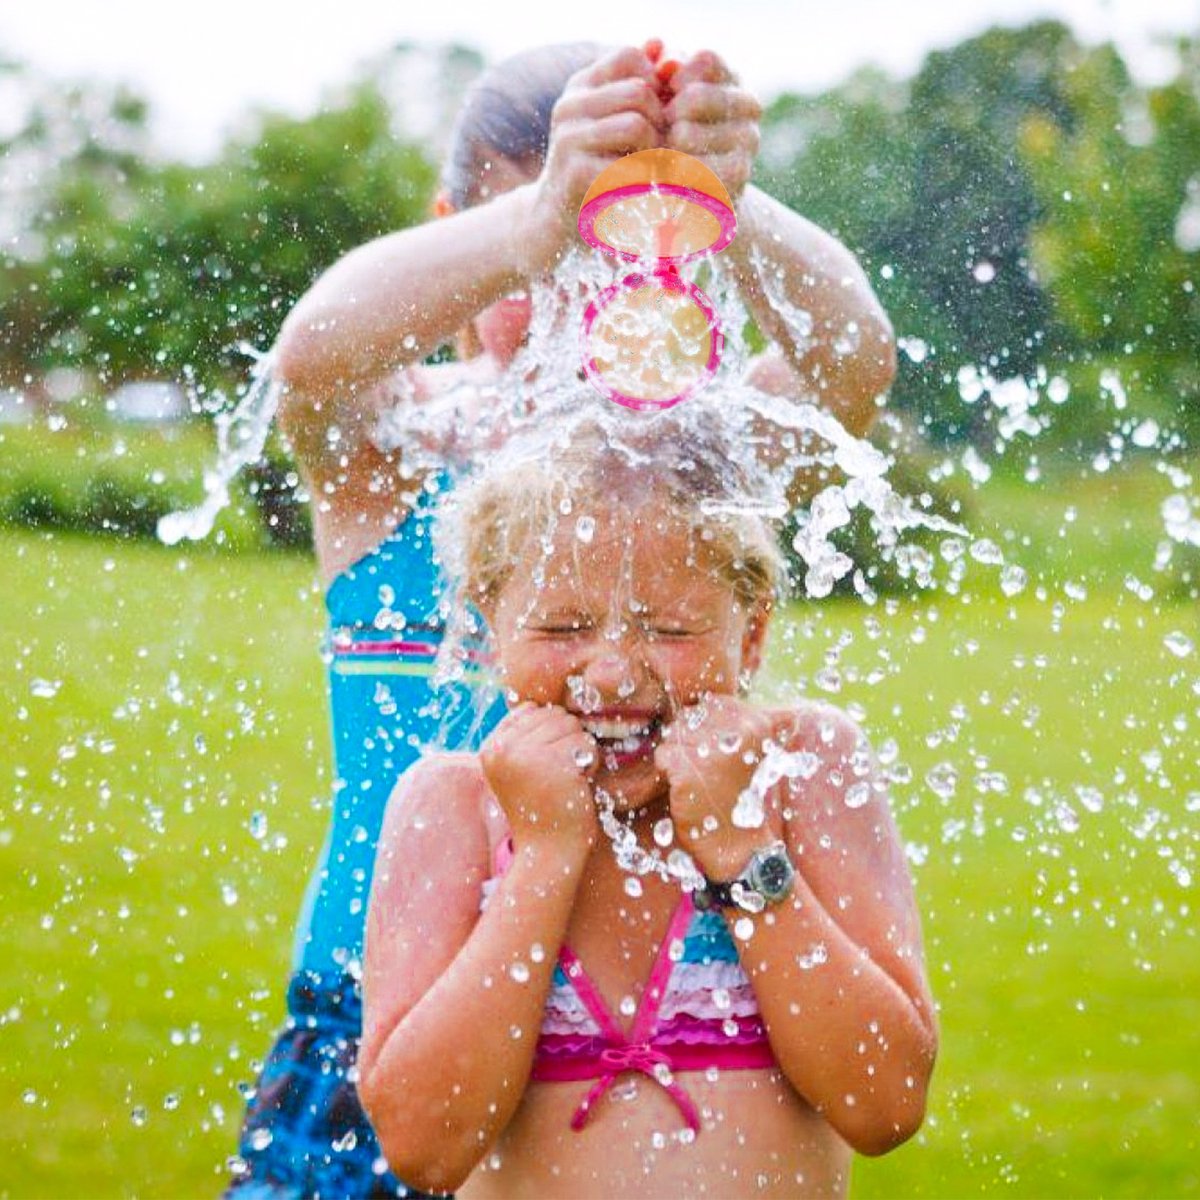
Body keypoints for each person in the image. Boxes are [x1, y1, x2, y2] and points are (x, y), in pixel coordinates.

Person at [229, 38, 897, 1196]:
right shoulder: (406, 450)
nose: (566, 301)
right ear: (460, 236)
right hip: (374, 1017)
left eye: (611, 247)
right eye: (533, 262)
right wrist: (544, 217)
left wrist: (736, 200)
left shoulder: (699, 466)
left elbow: (853, 369)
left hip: (641, 1008)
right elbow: (315, 360)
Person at [359, 418, 937, 1197]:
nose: (611, 672)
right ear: (490, 627)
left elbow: (885, 1101)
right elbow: (425, 1147)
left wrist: (739, 850)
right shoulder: (453, 806)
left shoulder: (802, 772)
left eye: (670, 629)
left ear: (753, 633)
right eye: (561, 627)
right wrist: (545, 858)